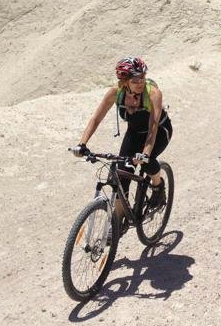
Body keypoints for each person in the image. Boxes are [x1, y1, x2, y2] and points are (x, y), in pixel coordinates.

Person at [73, 56, 172, 211]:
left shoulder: (153, 94)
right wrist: (82, 144)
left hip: (159, 131)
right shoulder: (115, 93)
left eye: (143, 77)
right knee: (121, 177)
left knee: (148, 161)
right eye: (135, 80)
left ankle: (158, 187)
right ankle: (117, 226)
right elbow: (96, 119)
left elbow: (153, 128)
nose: (140, 83)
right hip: (134, 133)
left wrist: (145, 154)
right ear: (125, 81)